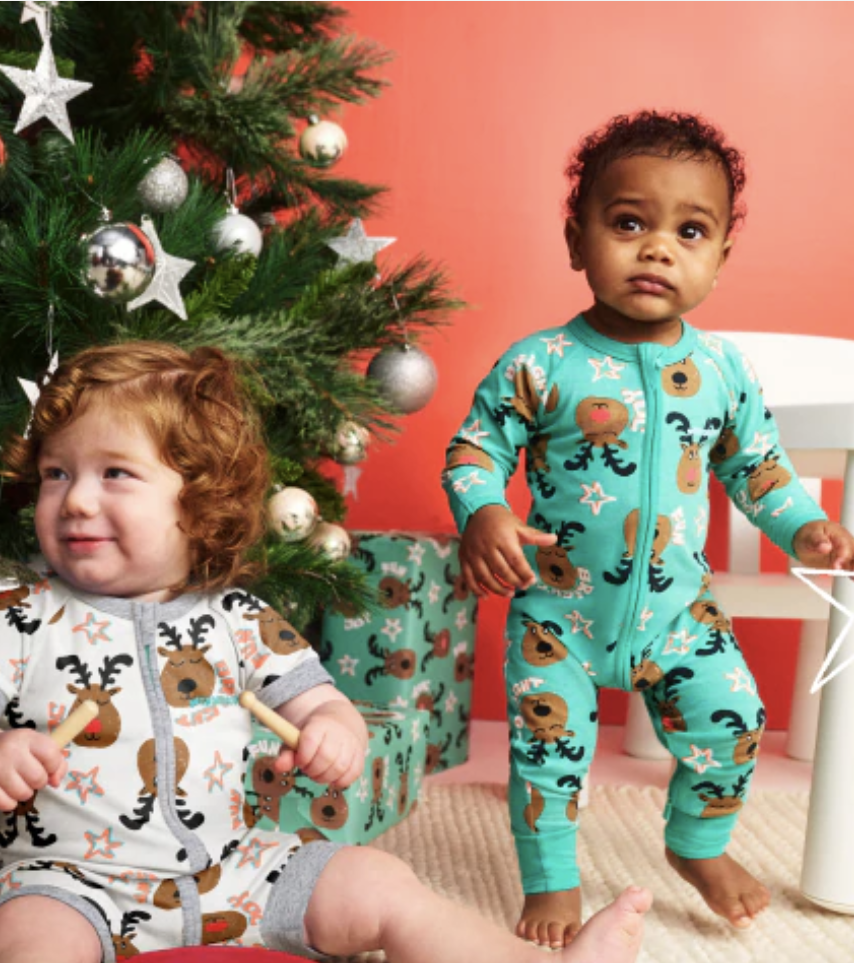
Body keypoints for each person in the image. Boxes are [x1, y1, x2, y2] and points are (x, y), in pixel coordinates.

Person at [0, 341, 651, 963]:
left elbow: (320, 701)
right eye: (57, 473)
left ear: (201, 499)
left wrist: (333, 732)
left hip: (235, 869)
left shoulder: (236, 616)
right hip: (69, 881)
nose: (76, 499)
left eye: (115, 472)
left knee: (380, 881)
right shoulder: (21, 618)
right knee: (31, 938)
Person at [442, 109, 854, 950]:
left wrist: (809, 531)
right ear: (576, 239)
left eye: (689, 230)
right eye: (629, 223)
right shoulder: (540, 363)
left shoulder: (721, 370)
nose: (658, 247)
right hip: (559, 613)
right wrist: (484, 509)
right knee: (546, 755)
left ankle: (695, 845)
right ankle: (552, 876)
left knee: (734, 715)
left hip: (679, 614)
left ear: (719, 258)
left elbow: (760, 469)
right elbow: (473, 449)